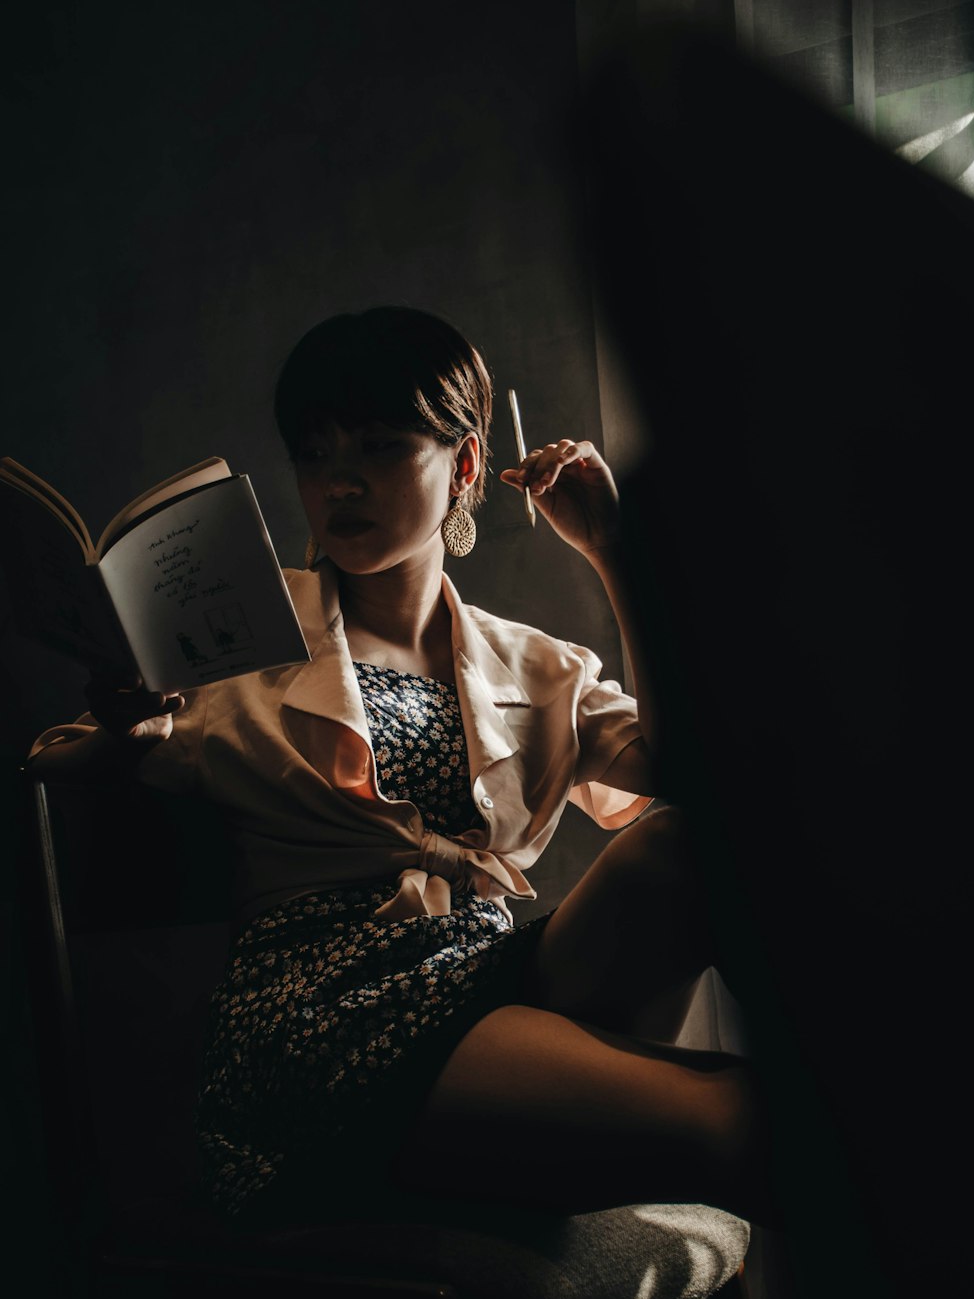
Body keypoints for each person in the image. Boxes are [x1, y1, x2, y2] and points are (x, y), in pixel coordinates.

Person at [28, 305, 771, 1231]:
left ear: (463, 465)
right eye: (314, 453)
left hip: (494, 981)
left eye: (380, 446)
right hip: (325, 1014)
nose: (339, 482)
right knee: (755, 1122)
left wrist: (612, 551)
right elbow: (65, 772)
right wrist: (129, 731)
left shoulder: (536, 664)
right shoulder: (233, 632)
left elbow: (692, 771)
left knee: (685, 849)